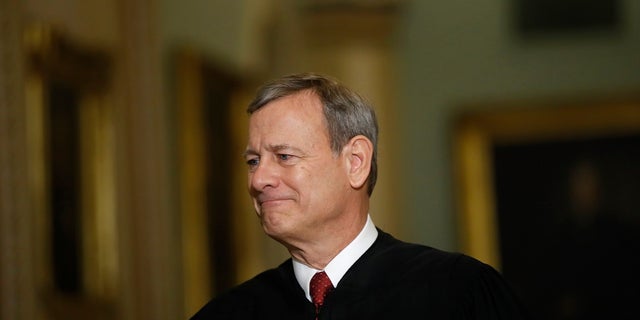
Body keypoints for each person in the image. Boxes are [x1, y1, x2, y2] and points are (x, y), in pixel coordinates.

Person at [190, 73, 527, 319]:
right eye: (253, 161)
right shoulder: (230, 314)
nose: (259, 179)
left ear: (355, 162)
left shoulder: (457, 292)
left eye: (284, 156)